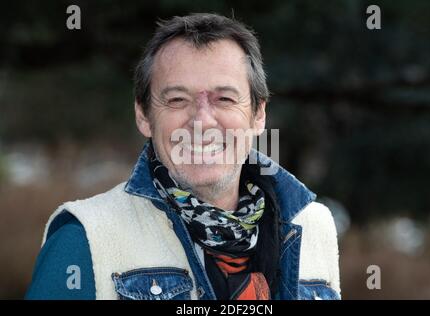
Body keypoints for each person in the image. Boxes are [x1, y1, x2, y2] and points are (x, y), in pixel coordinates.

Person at [26, 13, 340, 300]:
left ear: (258, 114)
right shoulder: (83, 240)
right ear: (144, 116)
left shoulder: (314, 226)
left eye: (224, 98)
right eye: (177, 99)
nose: (202, 121)